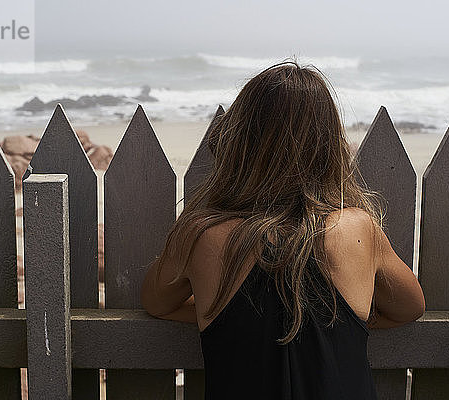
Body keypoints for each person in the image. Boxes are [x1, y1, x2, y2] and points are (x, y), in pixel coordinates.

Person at [140, 60, 425, 399]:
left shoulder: (202, 235)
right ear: (328, 145)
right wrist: (352, 320)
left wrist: (212, 312)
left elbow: (158, 304)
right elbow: (409, 308)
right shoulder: (357, 229)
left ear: (238, 141)